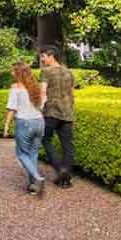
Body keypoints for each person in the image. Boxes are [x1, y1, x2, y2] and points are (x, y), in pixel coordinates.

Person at [3, 61, 47, 195]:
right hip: (39, 122)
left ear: (18, 73)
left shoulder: (15, 87)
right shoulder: (36, 87)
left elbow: (11, 108)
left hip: (25, 123)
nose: (11, 73)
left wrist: (6, 126)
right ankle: (33, 186)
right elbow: (42, 105)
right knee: (33, 154)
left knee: (21, 154)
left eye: (13, 71)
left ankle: (37, 177)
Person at [39, 46, 75, 188]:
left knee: (45, 139)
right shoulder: (68, 71)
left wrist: (39, 109)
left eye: (43, 56)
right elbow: (72, 94)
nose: (42, 59)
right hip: (67, 112)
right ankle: (65, 179)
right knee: (67, 146)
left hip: (51, 112)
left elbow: (43, 92)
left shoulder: (46, 72)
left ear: (51, 56)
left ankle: (60, 169)